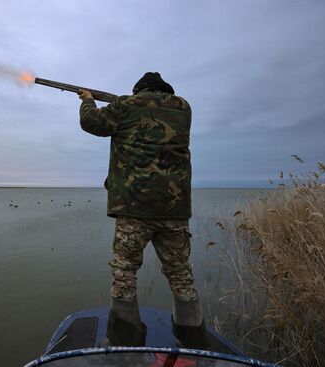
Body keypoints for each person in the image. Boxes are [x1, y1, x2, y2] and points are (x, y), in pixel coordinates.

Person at [78, 72, 209, 348]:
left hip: (134, 207)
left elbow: (91, 123)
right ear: (166, 90)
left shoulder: (126, 106)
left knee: (124, 272)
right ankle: (194, 338)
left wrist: (88, 100)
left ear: (138, 91)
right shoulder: (184, 108)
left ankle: (125, 338)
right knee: (180, 272)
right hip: (174, 209)